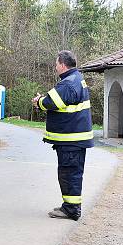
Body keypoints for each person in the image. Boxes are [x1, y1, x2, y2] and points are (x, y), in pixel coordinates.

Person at [32, 50, 93, 221]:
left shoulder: (68, 83)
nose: (55, 66)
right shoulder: (76, 79)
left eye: (56, 63)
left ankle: (72, 209)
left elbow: (53, 102)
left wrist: (38, 102)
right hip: (74, 139)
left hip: (71, 139)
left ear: (63, 65)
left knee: (69, 174)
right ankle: (69, 206)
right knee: (71, 173)